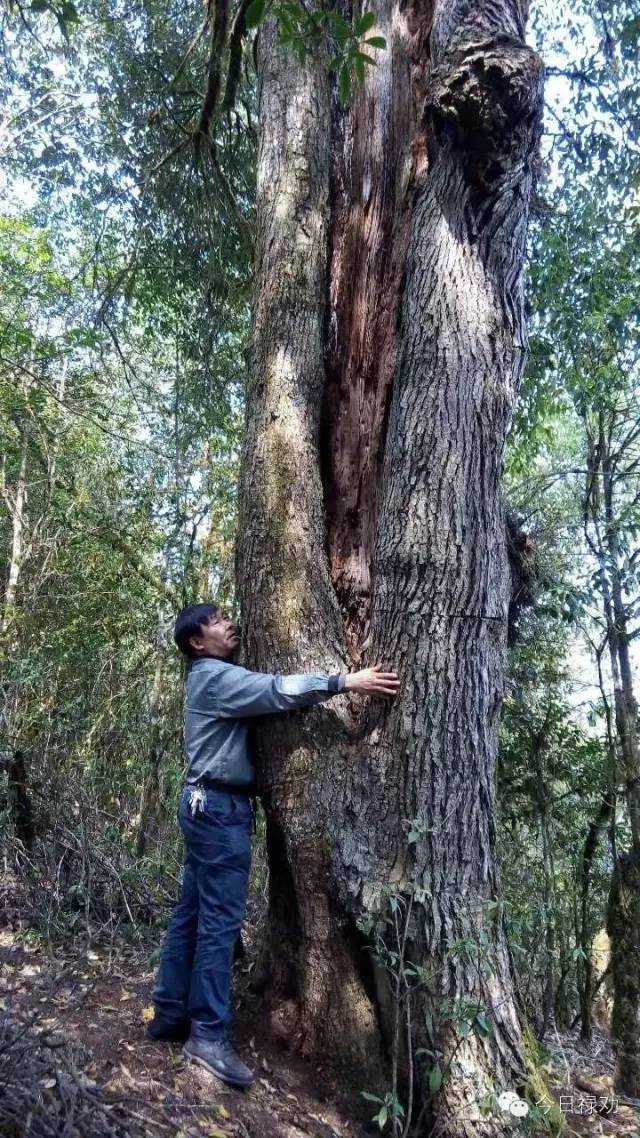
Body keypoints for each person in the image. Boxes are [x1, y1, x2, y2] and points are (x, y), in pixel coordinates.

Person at [147, 602, 400, 1088]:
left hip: (204, 804)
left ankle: (170, 1013)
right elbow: (277, 690)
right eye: (216, 621)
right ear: (197, 642)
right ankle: (206, 1035)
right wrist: (345, 681)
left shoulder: (209, 677)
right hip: (217, 811)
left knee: (192, 914)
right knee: (218, 924)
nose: (229, 624)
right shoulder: (215, 677)